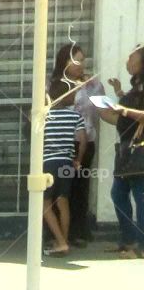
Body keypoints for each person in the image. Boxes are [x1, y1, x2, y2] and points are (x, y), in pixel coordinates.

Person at [55, 43, 106, 246]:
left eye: (83, 60)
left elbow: (104, 109)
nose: (81, 64)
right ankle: (57, 233)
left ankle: (78, 231)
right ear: (65, 62)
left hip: (86, 141)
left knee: (81, 186)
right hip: (63, 142)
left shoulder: (92, 85)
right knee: (62, 189)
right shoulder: (57, 84)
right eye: (76, 59)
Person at [102, 46, 144, 258]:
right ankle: (127, 241)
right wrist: (119, 93)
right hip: (127, 150)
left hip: (140, 151)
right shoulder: (136, 86)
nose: (127, 61)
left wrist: (123, 109)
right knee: (118, 194)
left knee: (141, 197)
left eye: (131, 58)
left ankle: (140, 248)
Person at [41, 73, 87, 257]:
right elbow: (82, 140)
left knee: (45, 204)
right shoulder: (75, 116)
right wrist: (78, 160)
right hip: (67, 162)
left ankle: (60, 242)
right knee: (63, 203)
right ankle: (64, 241)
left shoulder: (45, 115)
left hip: (48, 162)